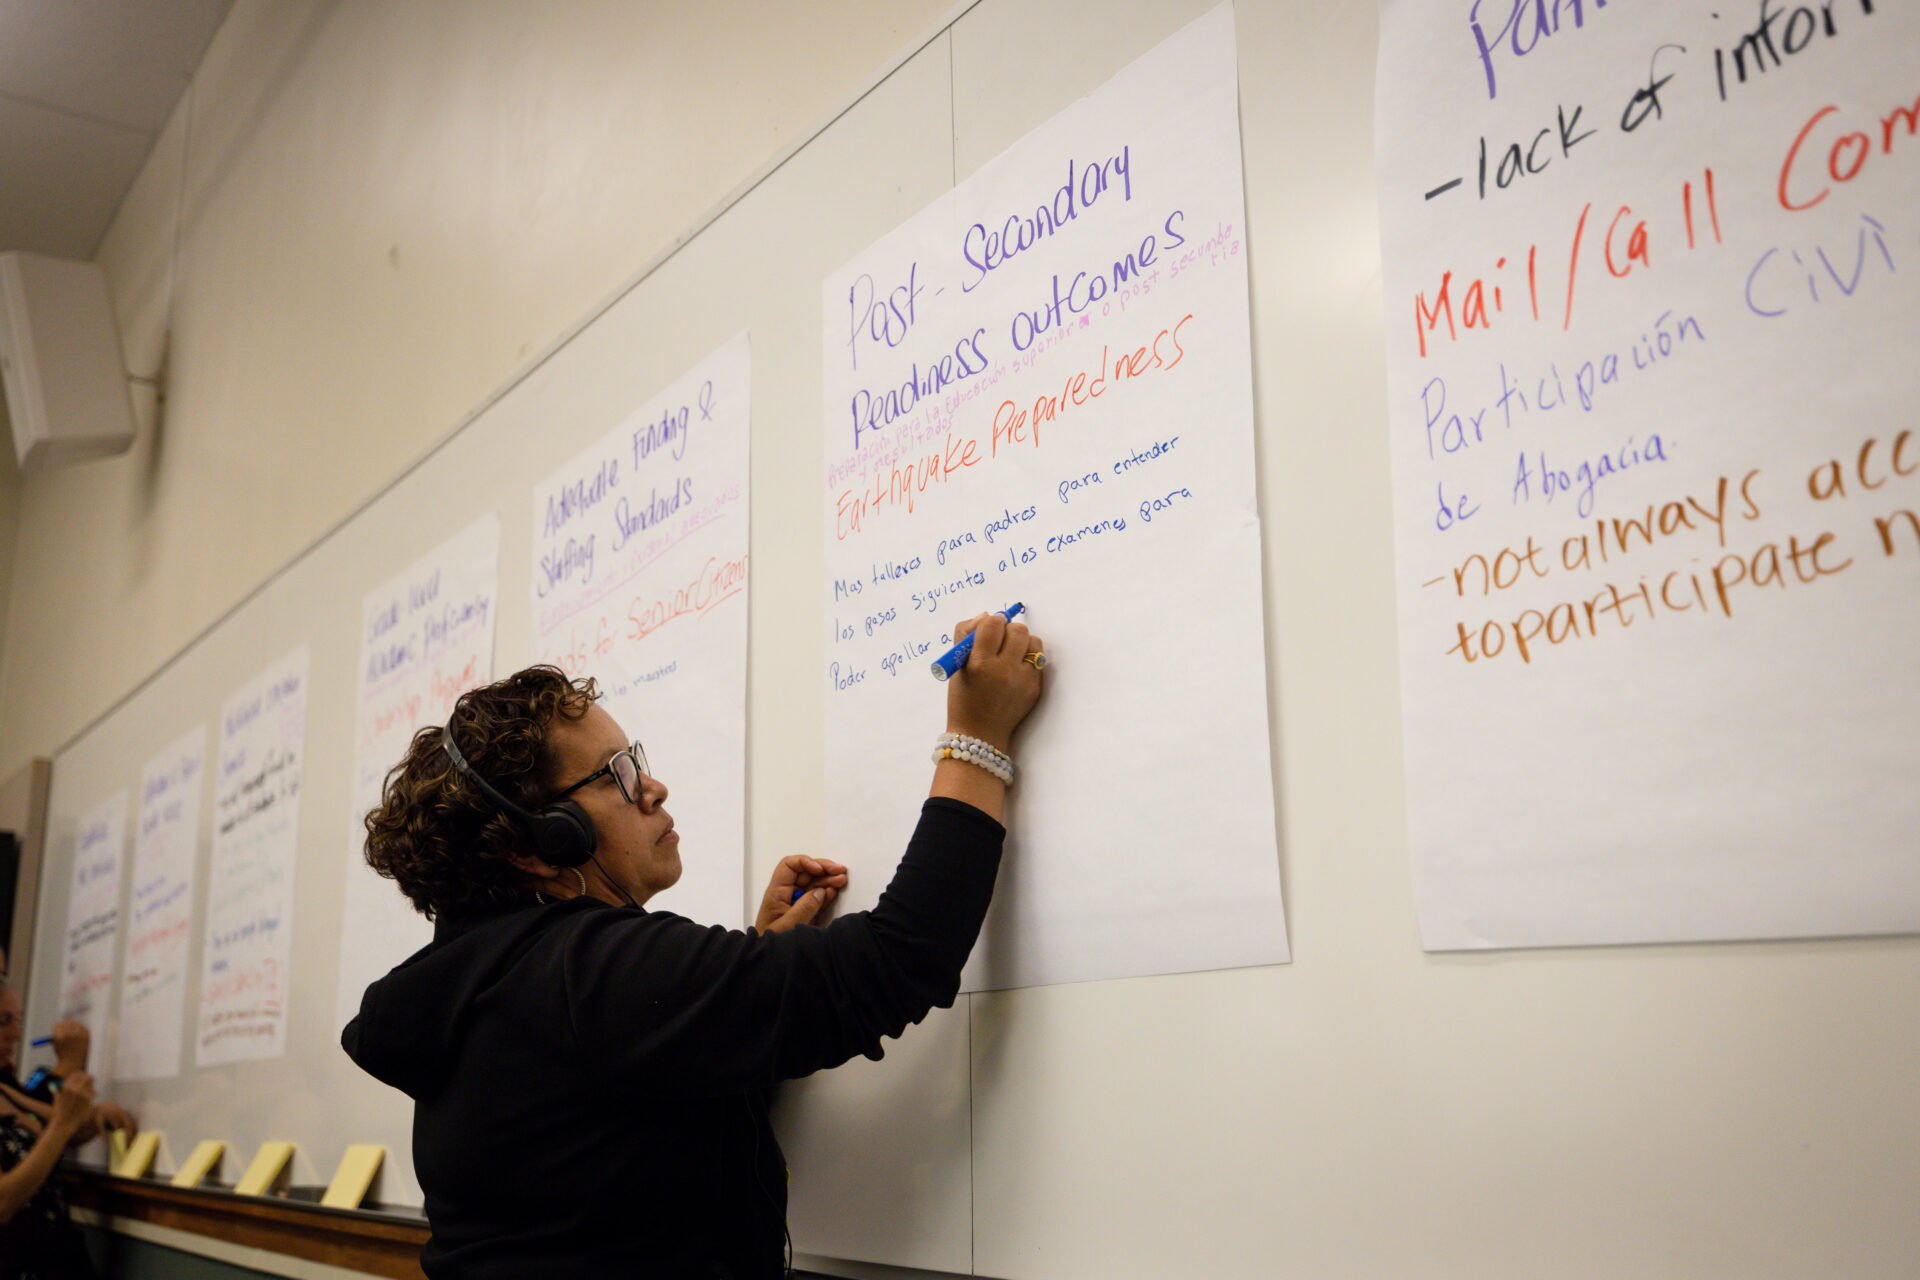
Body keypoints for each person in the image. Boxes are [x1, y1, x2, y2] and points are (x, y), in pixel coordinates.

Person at [343, 610, 1044, 1278]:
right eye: (616, 772)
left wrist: (759, 955)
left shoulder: (492, 986)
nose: (652, 786)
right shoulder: (583, 973)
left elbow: (636, 1127)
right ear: (539, 844)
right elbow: (896, 962)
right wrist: (975, 740)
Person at [0, 985, 103, 1280]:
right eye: (3, 1021)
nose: (16, 1034)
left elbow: (64, 1126)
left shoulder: (5, 1089)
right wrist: (62, 1125)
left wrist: (96, 1118)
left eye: (17, 1021)